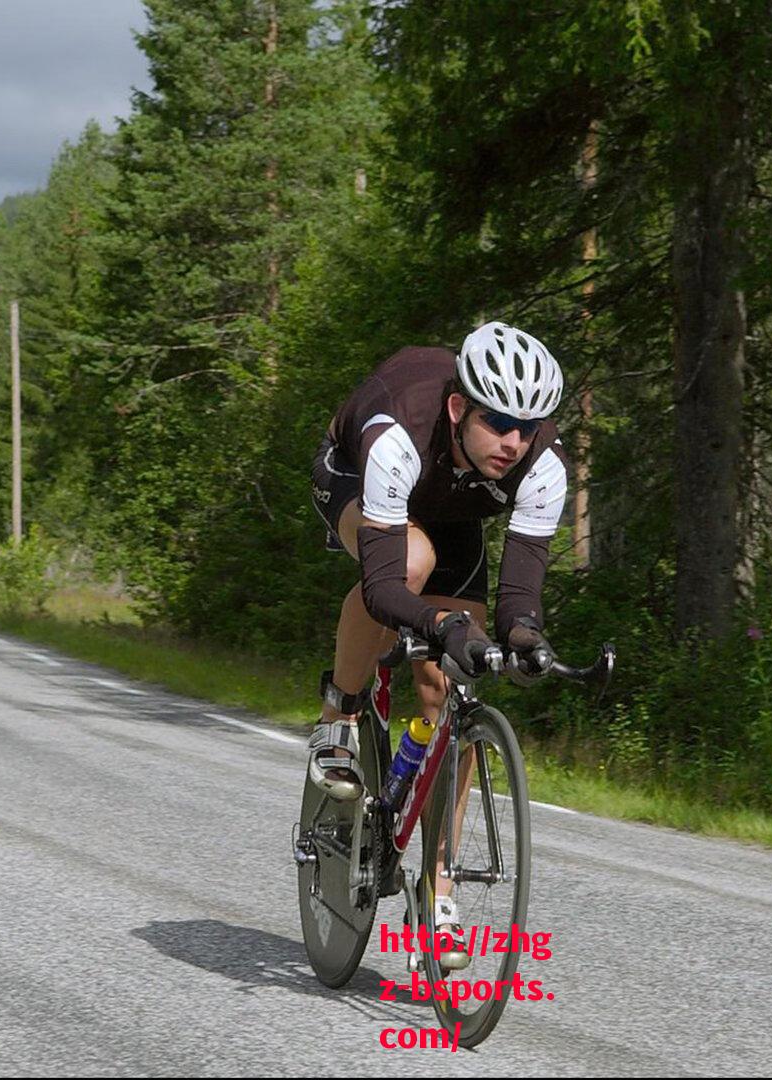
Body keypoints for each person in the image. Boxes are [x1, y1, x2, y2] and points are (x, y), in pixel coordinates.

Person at [307, 320, 567, 969]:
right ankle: (338, 717)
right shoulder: (397, 431)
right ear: (459, 408)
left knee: (448, 687)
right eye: (498, 420)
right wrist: (440, 624)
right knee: (413, 563)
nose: (514, 441)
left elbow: (518, 599)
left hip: (454, 513)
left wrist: (526, 639)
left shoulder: (542, 464)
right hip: (356, 481)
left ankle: (437, 886)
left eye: (527, 427)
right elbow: (387, 586)